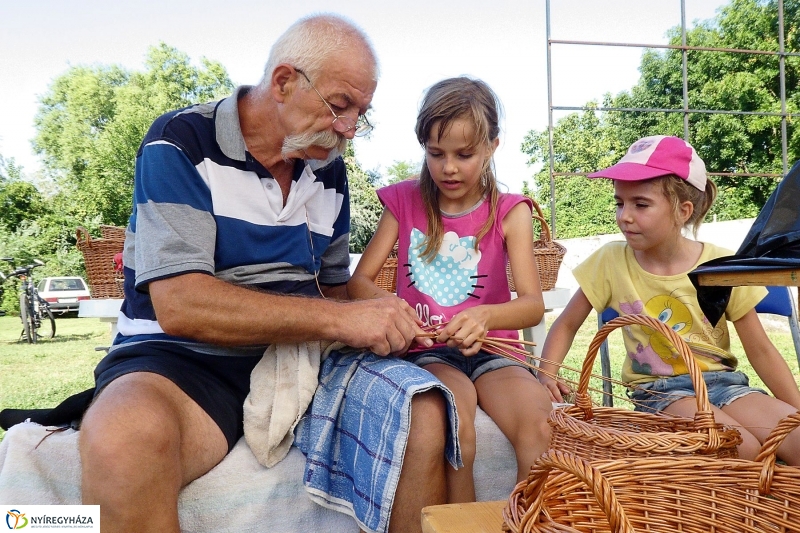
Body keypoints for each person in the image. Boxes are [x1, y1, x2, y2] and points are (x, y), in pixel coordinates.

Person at [78, 14, 455, 533]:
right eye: (339, 105)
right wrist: (339, 321)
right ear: (283, 82)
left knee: (423, 410)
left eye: (360, 114)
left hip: (301, 359)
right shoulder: (180, 142)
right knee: (122, 438)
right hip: (183, 362)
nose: (348, 129)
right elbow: (181, 304)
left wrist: (383, 312)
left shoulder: (328, 169)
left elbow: (333, 285)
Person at [348, 77, 553, 502]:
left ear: (492, 146)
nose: (449, 168)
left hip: (496, 350)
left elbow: (532, 306)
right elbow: (359, 282)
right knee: (455, 417)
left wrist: (485, 317)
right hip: (428, 351)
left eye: (464, 154)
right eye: (435, 153)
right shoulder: (403, 201)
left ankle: (529, 521)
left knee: (540, 424)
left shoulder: (511, 211)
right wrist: (397, 311)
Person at [539, 135, 800, 464]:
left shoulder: (720, 266)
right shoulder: (610, 261)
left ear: (683, 211)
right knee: (740, 447)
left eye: (641, 204)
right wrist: (546, 375)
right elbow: (566, 324)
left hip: (726, 385)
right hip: (662, 394)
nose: (624, 216)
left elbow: (761, 349)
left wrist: (796, 410)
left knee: (795, 439)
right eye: (620, 203)